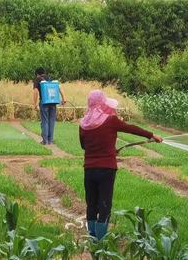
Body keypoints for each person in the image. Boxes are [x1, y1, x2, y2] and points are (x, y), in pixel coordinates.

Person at [79, 90, 163, 240]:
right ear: (103, 103)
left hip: (89, 169)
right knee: (104, 204)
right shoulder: (111, 120)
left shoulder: (83, 123)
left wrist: (105, 149)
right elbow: (132, 128)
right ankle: (101, 240)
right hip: (107, 169)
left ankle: (92, 237)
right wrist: (152, 135)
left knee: (91, 203)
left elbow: (84, 146)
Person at [33, 67, 66, 144]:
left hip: (44, 102)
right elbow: (59, 87)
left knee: (45, 121)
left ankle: (45, 141)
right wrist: (64, 98)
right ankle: (50, 140)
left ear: (37, 74)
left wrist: (34, 104)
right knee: (51, 121)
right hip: (53, 102)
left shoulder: (37, 79)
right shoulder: (50, 78)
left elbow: (35, 92)